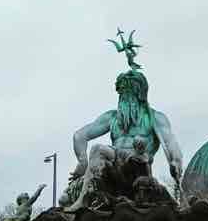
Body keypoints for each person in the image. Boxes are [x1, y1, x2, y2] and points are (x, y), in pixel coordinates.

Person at [65, 69, 183, 210]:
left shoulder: (155, 118)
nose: (122, 98)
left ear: (139, 93)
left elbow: (170, 144)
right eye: (121, 94)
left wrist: (175, 161)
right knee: (97, 150)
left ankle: (85, 199)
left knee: (134, 147)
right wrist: (83, 161)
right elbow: (79, 136)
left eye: (127, 93)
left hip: (139, 167)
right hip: (115, 166)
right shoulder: (112, 117)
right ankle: (84, 199)